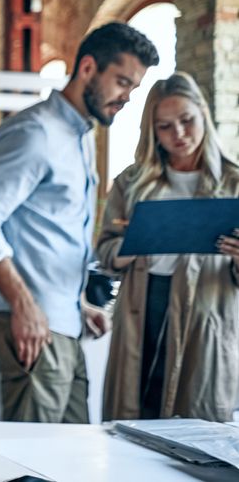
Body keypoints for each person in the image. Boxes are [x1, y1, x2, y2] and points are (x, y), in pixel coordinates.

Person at [0, 22, 159, 423]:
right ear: (87, 68)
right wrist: (25, 304)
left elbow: (48, 234)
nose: (126, 98)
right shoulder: (36, 132)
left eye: (133, 89)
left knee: (69, 456)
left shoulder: (78, 135)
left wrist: (76, 304)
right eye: (121, 82)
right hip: (35, 321)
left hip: (61, 321)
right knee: (36, 461)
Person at [96, 72, 239, 421]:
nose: (178, 134)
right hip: (142, 306)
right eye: (165, 126)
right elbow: (103, 251)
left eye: (187, 121)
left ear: (202, 114)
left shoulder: (234, 183)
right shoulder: (131, 182)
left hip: (206, 310)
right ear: (152, 131)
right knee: (135, 413)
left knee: (196, 422)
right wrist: (134, 242)